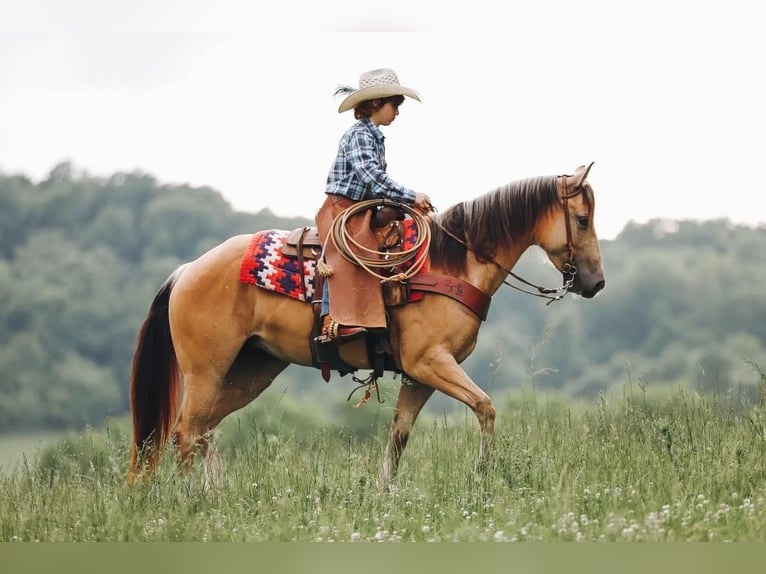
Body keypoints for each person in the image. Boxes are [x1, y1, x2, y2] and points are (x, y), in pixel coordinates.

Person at [315, 68, 433, 344]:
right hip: (341, 209)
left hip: (360, 207)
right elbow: (370, 175)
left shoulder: (375, 136)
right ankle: (334, 318)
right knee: (353, 248)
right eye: (395, 105)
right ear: (377, 103)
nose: (398, 112)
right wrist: (409, 195)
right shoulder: (359, 134)